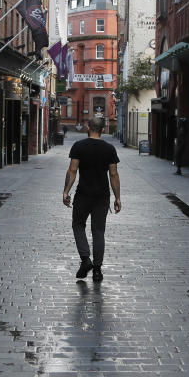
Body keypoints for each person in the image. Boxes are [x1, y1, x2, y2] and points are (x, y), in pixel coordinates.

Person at [62, 116, 121, 282]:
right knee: (98, 231)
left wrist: (66, 192)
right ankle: (97, 270)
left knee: (78, 225)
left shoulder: (79, 146)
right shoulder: (109, 149)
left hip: (83, 194)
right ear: (103, 130)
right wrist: (117, 198)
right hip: (102, 196)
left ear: (88, 127)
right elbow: (114, 174)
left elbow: (72, 171)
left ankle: (85, 259)